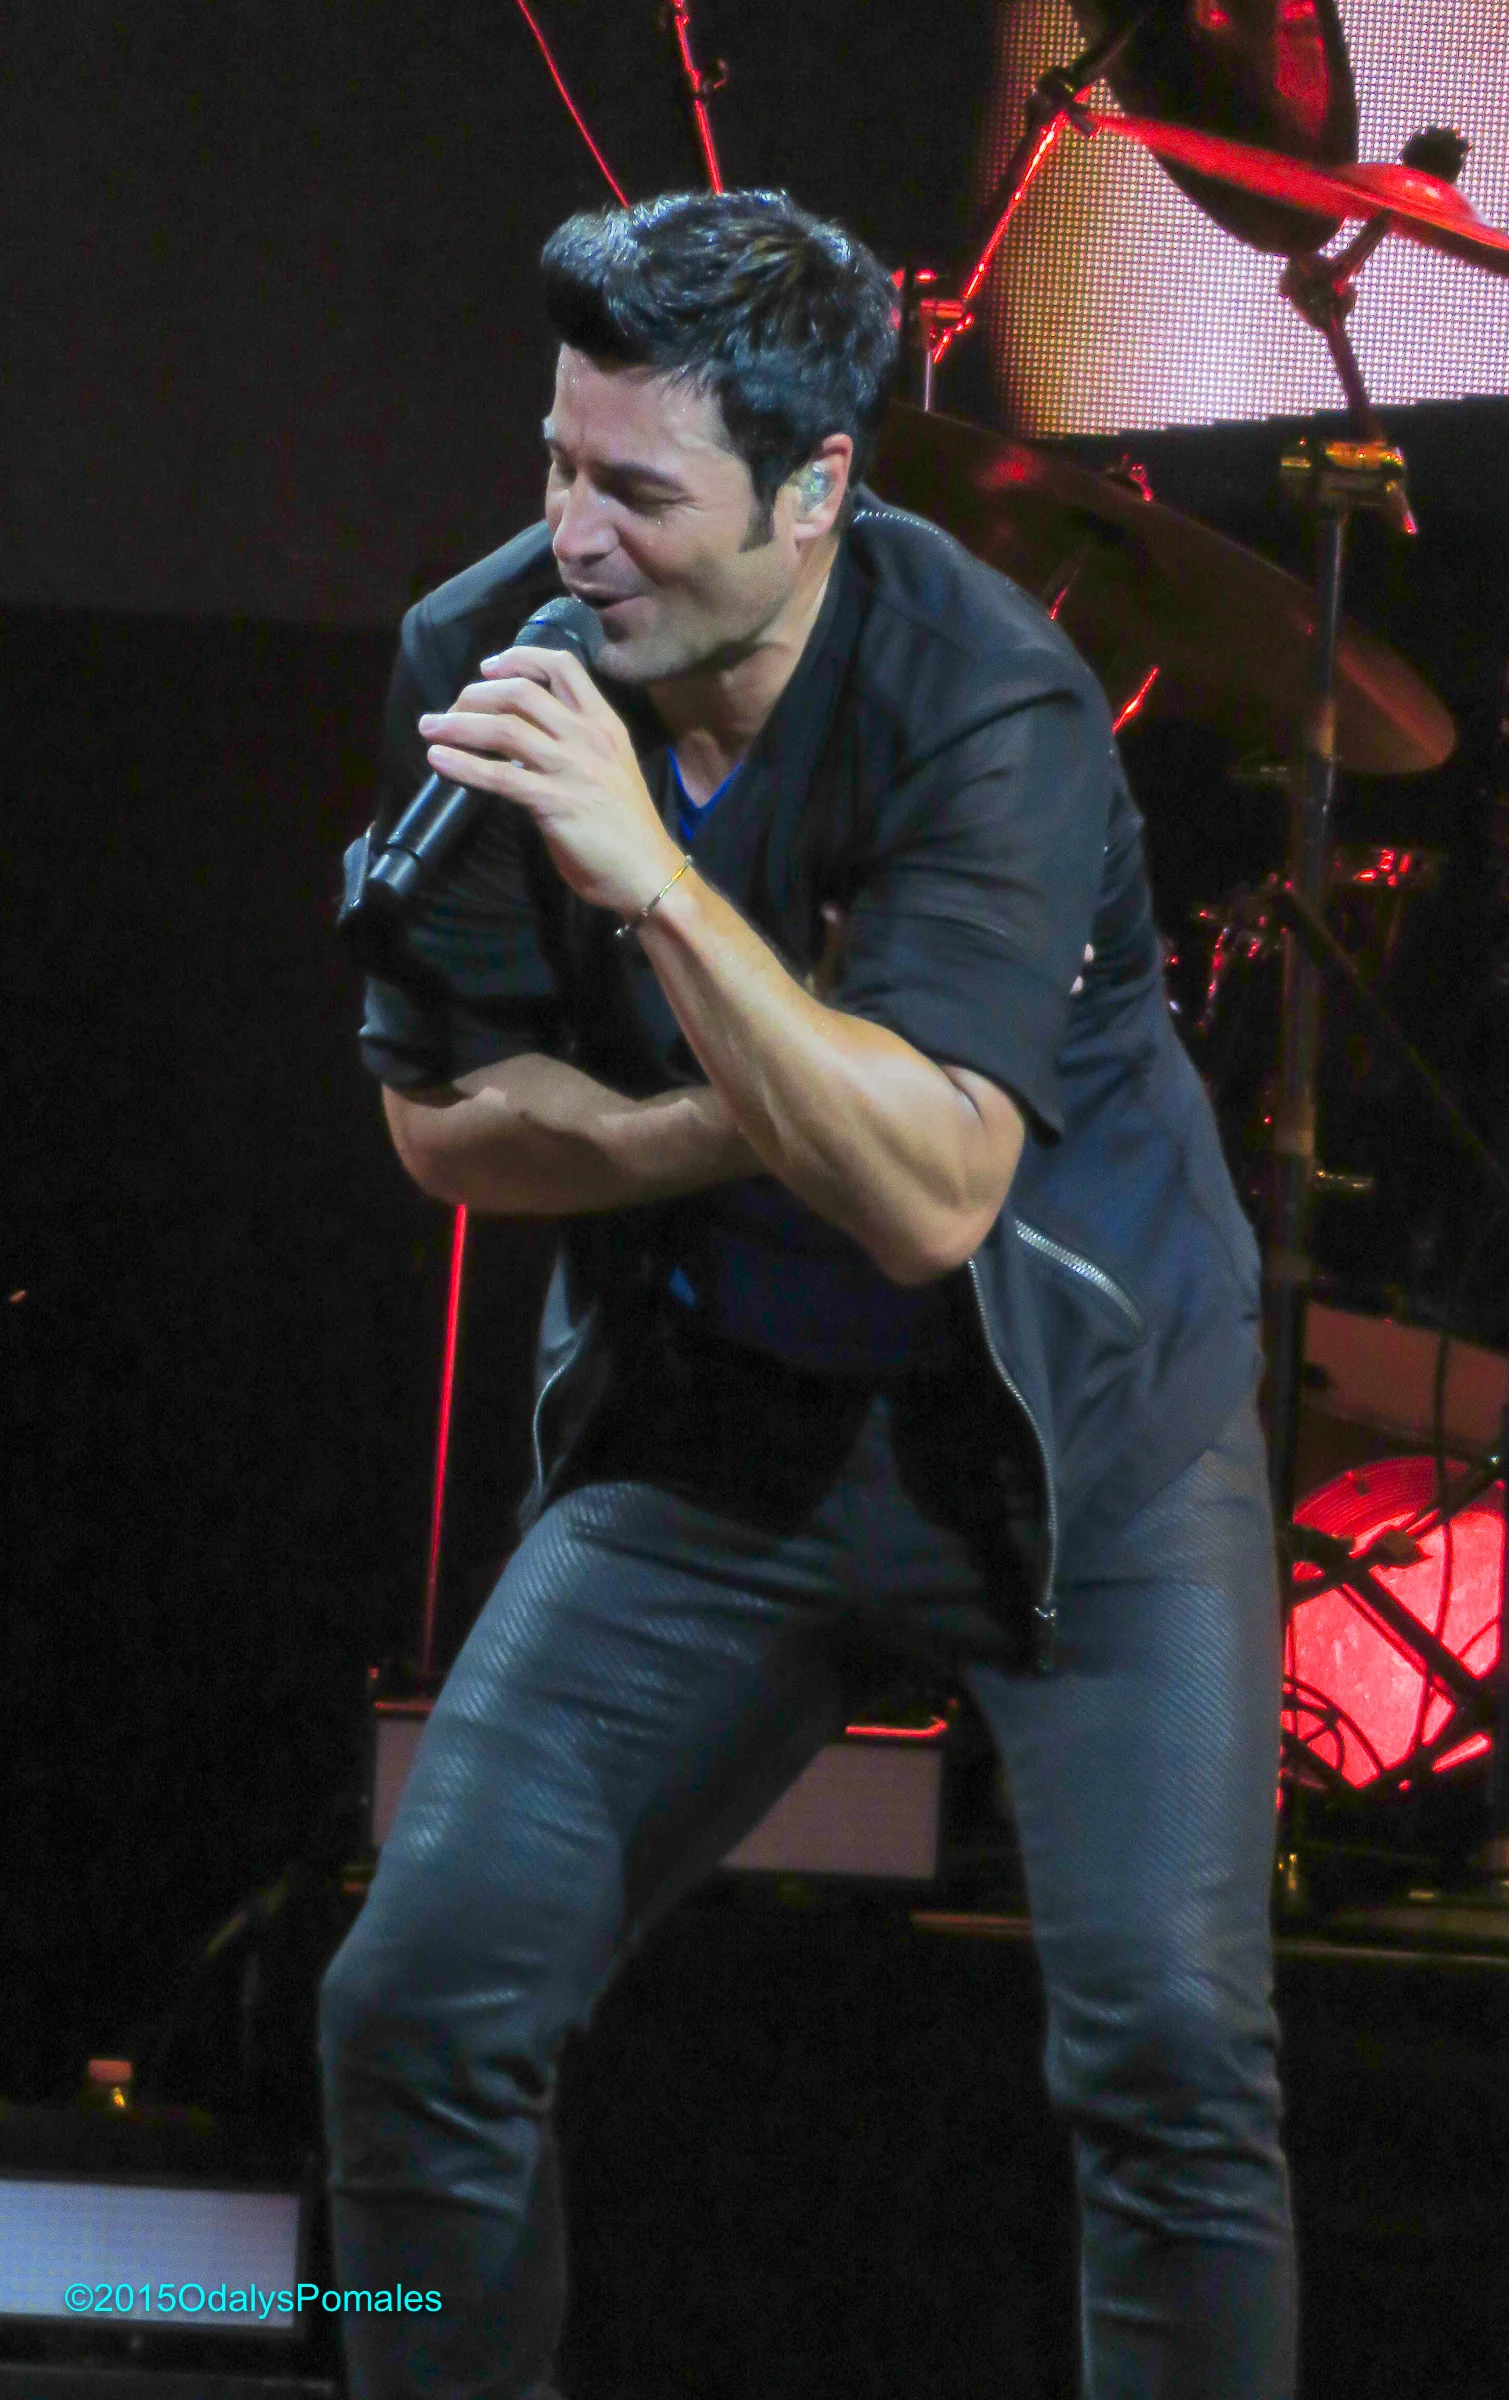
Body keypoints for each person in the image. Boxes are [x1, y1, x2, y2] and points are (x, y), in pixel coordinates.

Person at [320, 188, 1293, 2400]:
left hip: (1076, 1448)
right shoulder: (487, 655)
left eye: (641, 494)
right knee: (413, 2007)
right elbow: (446, 1134)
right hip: (724, 1429)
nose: (575, 539)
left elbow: (932, 1198)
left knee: (1171, 2061)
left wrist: (655, 887)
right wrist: (749, 1106)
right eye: (558, 463)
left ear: (814, 491)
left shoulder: (991, 701)